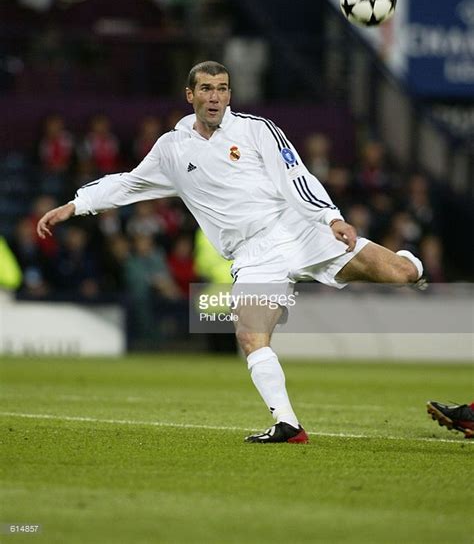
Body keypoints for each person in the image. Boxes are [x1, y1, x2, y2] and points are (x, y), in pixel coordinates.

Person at [37, 61, 426, 444]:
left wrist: (329, 218)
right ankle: (288, 424)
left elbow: (296, 175)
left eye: (222, 88)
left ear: (230, 95)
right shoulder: (172, 148)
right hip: (253, 254)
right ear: (190, 95)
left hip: (299, 228)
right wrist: (76, 205)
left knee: (401, 275)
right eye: (206, 89)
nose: (215, 97)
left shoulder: (256, 130)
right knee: (251, 336)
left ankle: (412, 261)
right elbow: (130, 184)